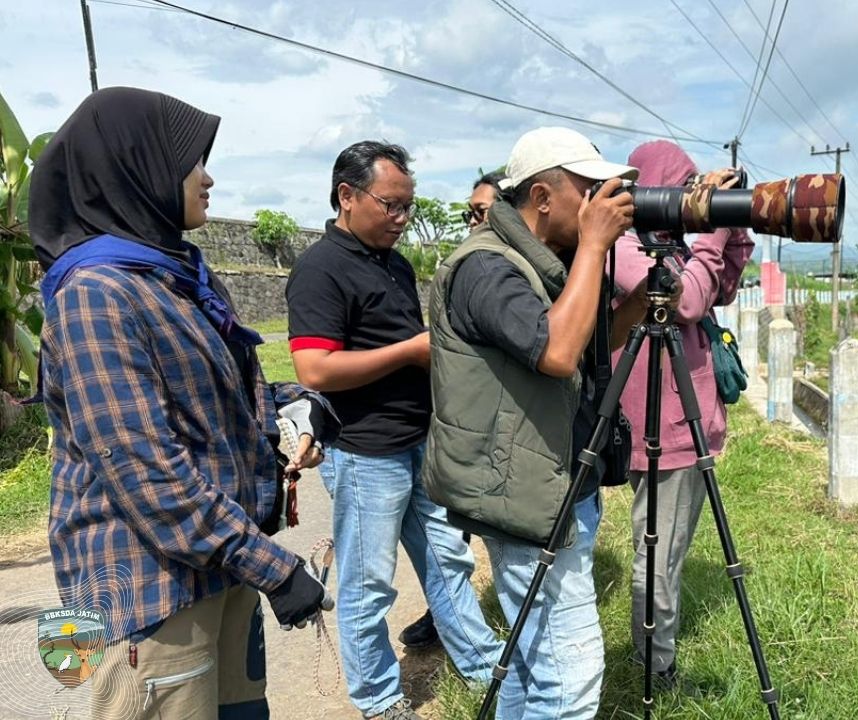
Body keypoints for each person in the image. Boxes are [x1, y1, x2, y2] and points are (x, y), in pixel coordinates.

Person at [32, 87, 331, 719]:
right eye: (193, 159)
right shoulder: (96, 294)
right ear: (137, 168)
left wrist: (299, 407)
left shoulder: (176, 276)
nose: (208, 176)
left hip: (219, 566)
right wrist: (275, 569)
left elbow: (218, 395)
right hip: (150, 591)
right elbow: (148, 473)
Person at [425, 126, 640, 719]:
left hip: (556, 482)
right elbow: (556, 352)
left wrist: (643, 296)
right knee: (570, 681)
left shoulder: (541, 261)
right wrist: (595, 249)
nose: (604, 200)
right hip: (521, 493)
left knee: (530, 664)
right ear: (542, 197)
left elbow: (587, 345)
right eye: (589, 189)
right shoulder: (486, 269)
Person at [286, 141, 500, 719]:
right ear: (347, 196)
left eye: (409, 206)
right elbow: (315, 369)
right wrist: (410, 351)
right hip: (364, 454)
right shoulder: (319, 269)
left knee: (447, 562)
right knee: (368, 584)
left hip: (417, 442)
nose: (403, 219)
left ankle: (483, 667)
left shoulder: (395, 263)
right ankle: (379, 699)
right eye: (391, 205)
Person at [610, 140, 755, 690]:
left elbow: (723, 285)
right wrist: (711, 235)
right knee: (658, 558)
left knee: (667, 553)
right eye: (686, 185)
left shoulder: (672, 245)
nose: (694, 196)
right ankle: (657, 670)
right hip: (661, 428)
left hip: (689, 422)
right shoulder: (623, 247)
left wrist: (732, 220)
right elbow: (688, 301)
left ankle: (653, 658)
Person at [398, 168, 505, 650]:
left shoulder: (529, 271)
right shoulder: (464, 267)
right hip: (459, 426)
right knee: (450, 537)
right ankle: (446, 618)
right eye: (470, 213)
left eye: (482, 212)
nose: (473, 222)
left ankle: (511, 618)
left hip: (510, 432)